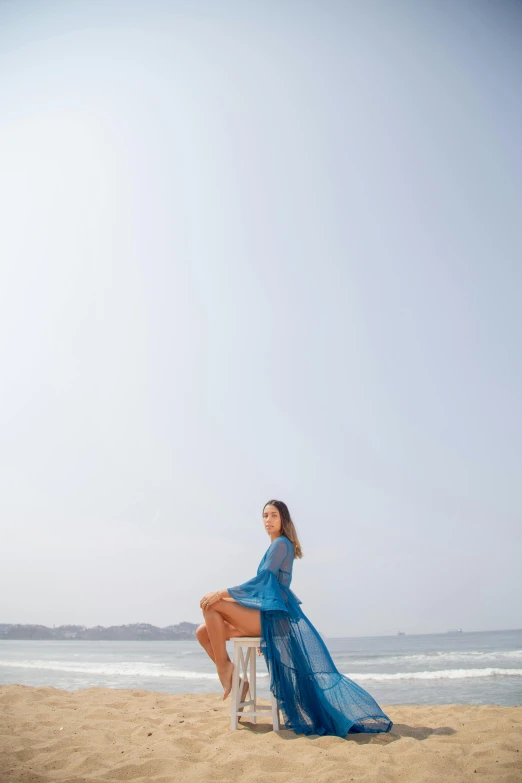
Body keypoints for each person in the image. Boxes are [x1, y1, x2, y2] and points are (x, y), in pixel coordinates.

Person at [197, 499, 392, 737]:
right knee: (202, 631)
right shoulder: (275, 546)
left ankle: (224, 669)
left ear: (284, 520)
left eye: (274, 516)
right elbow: (267, 590)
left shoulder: (281, 544)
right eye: (265, 516)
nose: (268, 520)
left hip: (272, 621)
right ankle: (238, 681)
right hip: (267, 616)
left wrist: (222, 592)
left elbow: (261, 583)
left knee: (212, 603)